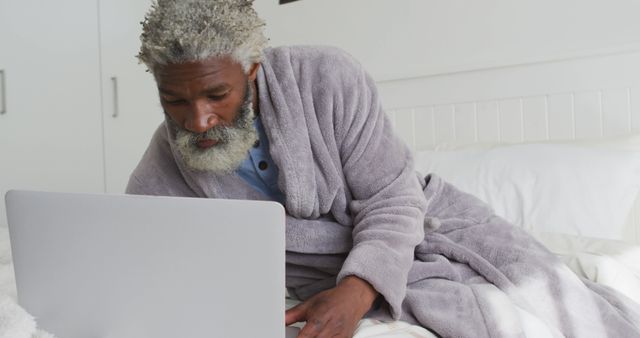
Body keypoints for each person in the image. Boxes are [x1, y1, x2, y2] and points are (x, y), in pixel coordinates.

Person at [128, 1, 640, 337]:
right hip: (311, 279)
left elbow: (391, 196)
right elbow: (143, 259)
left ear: (252, 70)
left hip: (419, 223)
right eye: (173, 99)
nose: (197, 119)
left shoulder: (326, 77)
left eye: (217, 94)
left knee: (560, 302)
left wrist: (358, 289)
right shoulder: (162, 165)